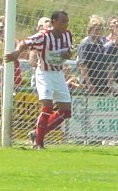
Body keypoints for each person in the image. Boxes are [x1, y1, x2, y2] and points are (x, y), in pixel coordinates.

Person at [4, 10, 73, 149]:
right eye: (62, 21)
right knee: (47, 105)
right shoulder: (44, 36)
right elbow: (25, 42)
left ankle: (37, 133)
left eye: (67, 21)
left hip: (58, 74)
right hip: (44, 73)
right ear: (54, 22)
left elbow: (69, 52)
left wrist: (67, 55)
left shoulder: (67, 35)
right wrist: (17, 52)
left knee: (66, 111)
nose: (65, 24)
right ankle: (38, 143)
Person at [77, 16, 108, 95]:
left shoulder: (101, 44)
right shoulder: (86, 44)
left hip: (101, 82)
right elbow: (82, 65)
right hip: (89, 84)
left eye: (101, 29)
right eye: (96, 29)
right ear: (90, 30)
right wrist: (89, 83)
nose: (99, 32)